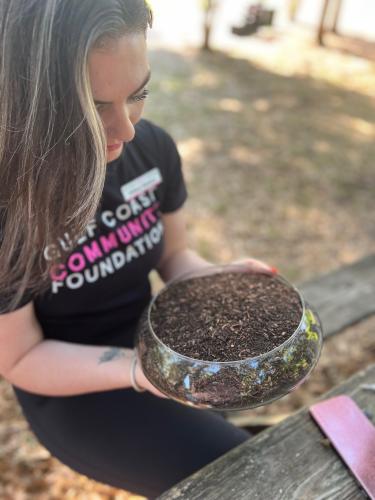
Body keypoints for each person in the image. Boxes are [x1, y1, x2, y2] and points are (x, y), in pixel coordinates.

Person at [0, 1, 275, 497]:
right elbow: (22, 359)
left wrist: (218, 279)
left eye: (138, 93)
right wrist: (137, 371)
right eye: (95, 105)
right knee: (242, 480)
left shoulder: (154, 149)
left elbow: (173, 257)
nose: (127, 130)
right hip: (74, 389)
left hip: (161, 350)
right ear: (27, 98)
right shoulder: (9, 205)